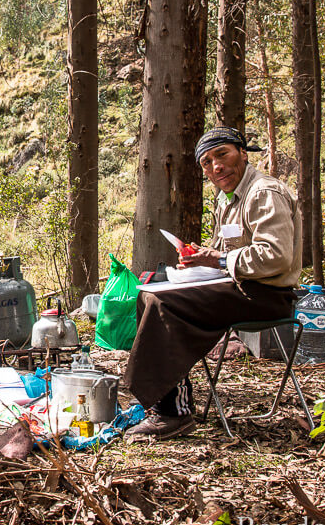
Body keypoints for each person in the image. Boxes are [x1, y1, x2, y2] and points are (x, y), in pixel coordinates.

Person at [123, 126, 303, 439]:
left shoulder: (263, 193)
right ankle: (165, 400)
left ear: (243, 153)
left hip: (268, 294)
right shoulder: (227, 199)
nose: (215, 166)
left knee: (166, 303)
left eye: (222, 154)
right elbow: (224, 250)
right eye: (206, 162)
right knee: (148, 291)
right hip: (239, 287)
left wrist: (217, 260)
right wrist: (197, 259)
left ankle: (172, 414)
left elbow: (276, 256)